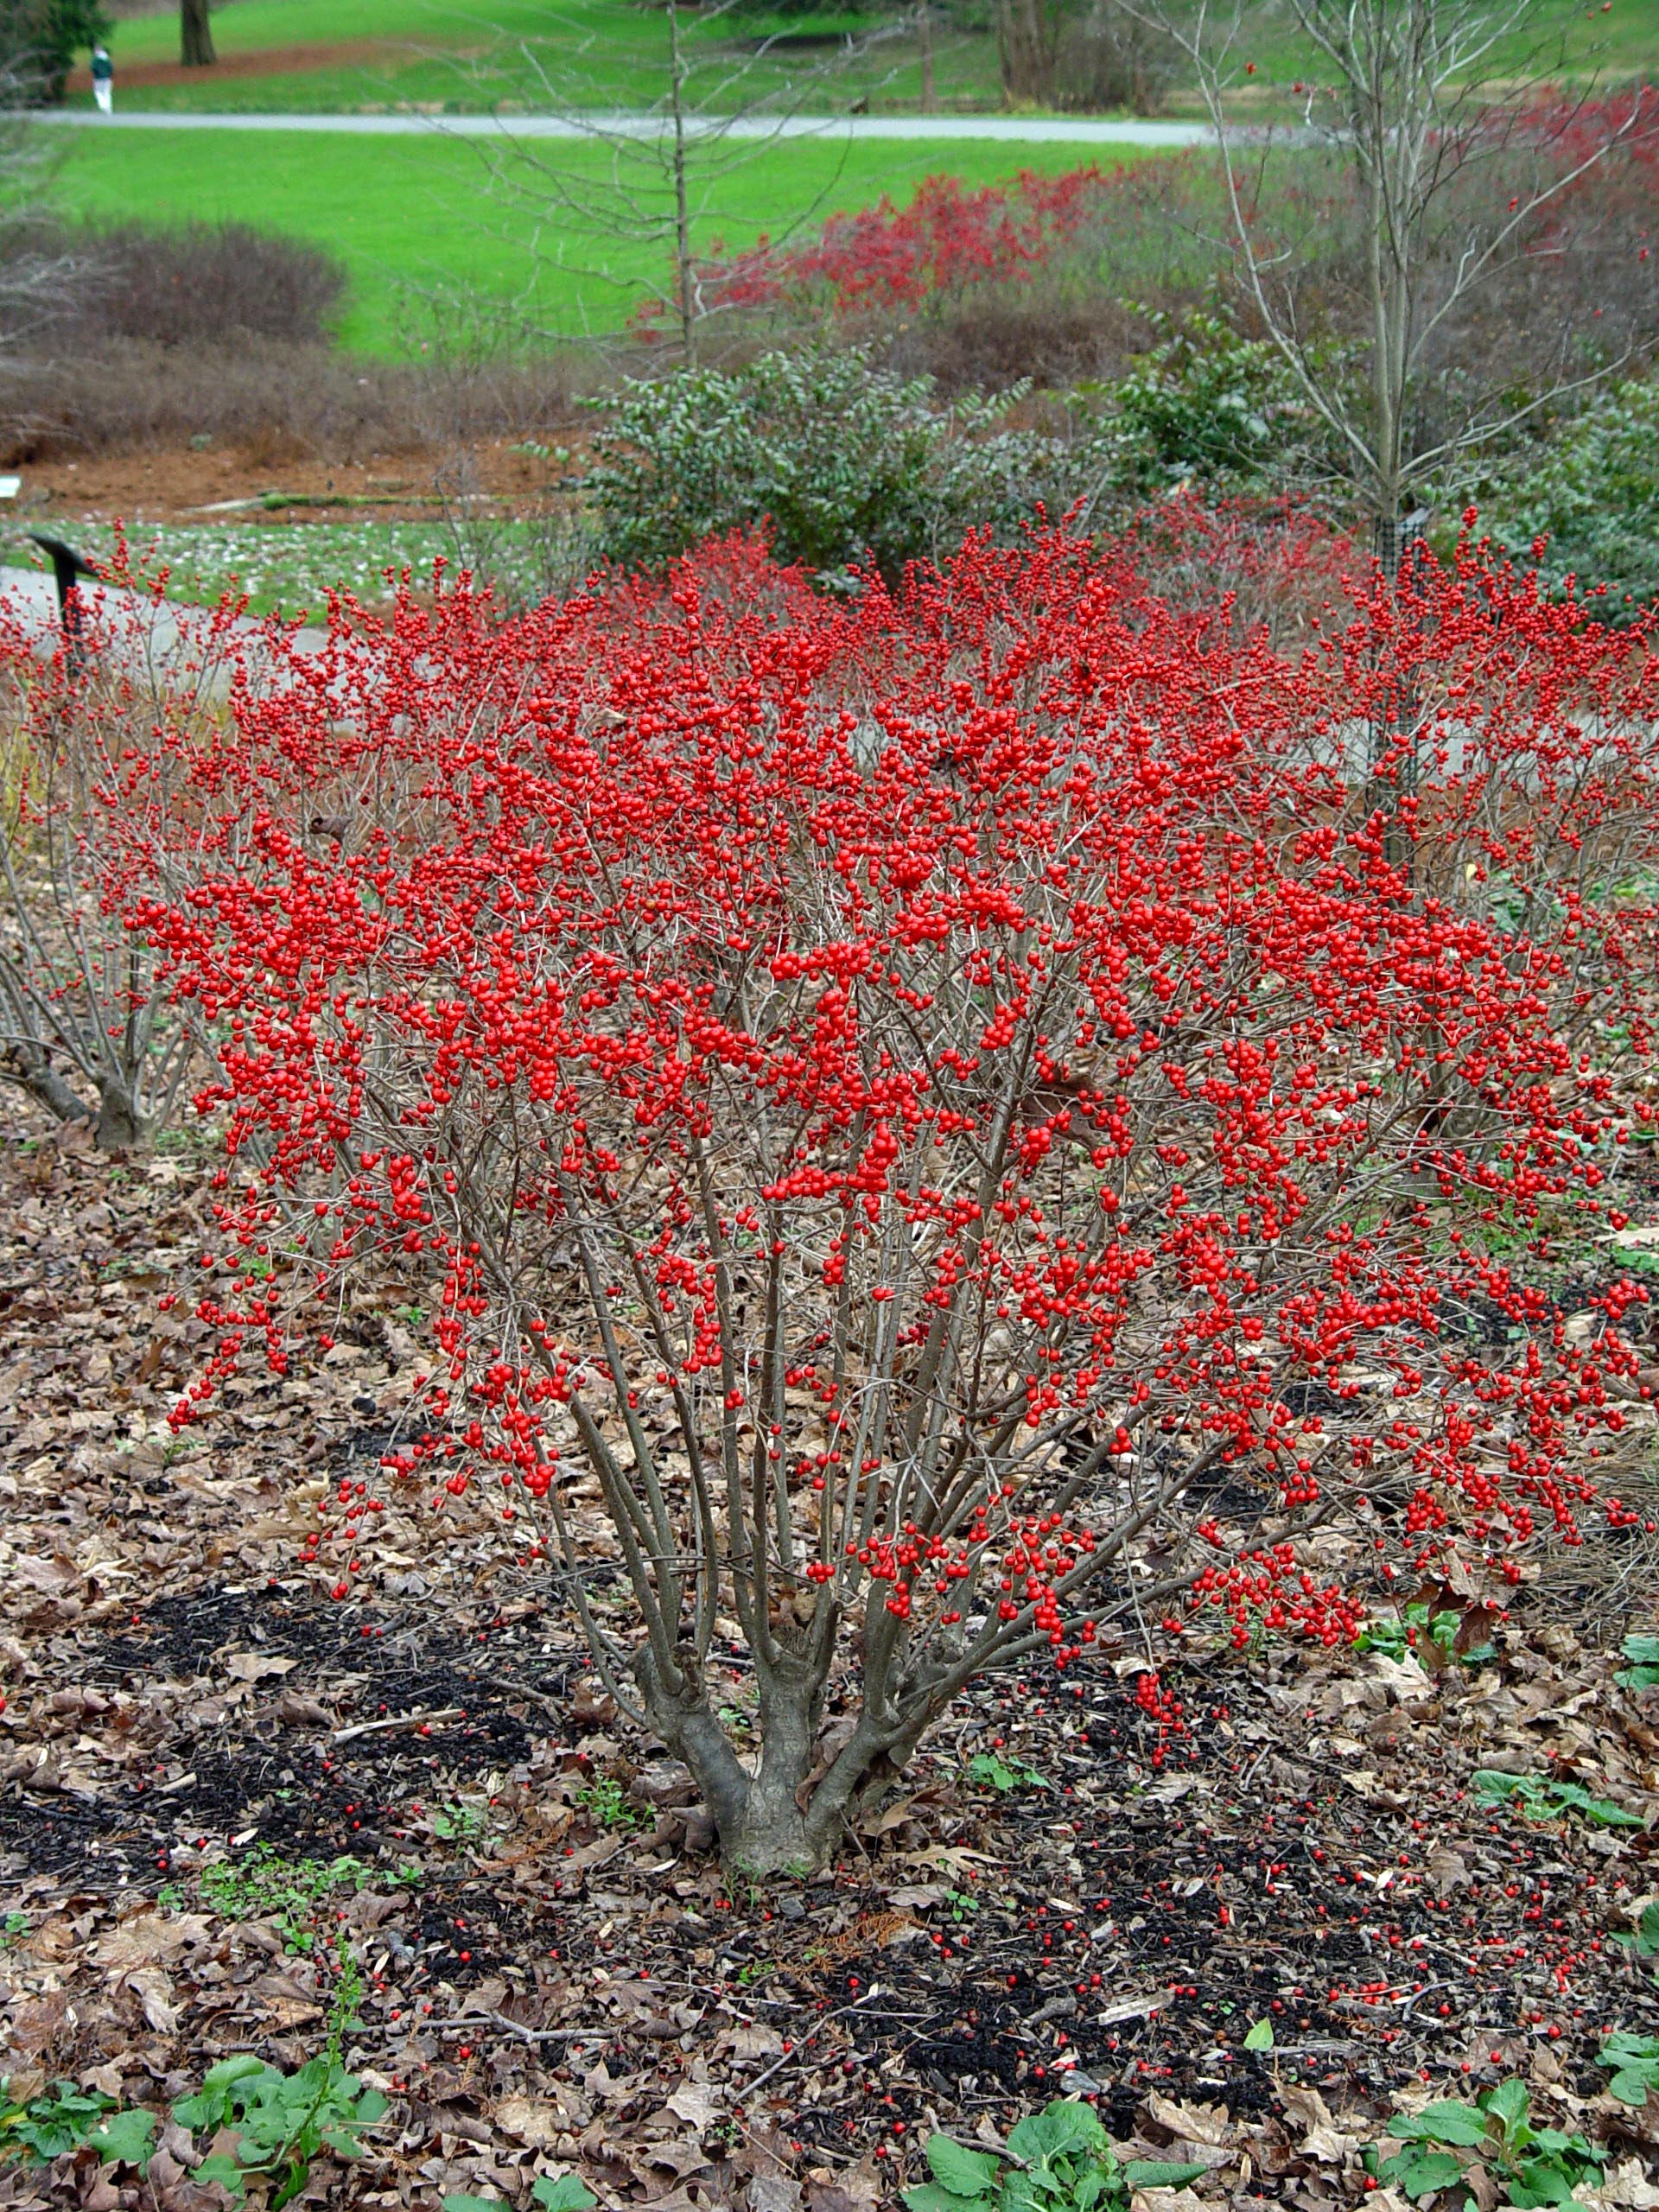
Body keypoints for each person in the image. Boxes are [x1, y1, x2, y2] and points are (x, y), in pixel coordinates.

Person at [90, 44, 113, 115]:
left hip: (98, 79)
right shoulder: (106, 58)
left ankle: (103, 105)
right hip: (107, 78)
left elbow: (93, 68)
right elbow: (111, 67)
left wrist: (97, 74)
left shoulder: (95, 60)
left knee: (98, 93)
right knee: (107, 93)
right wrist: (108, 74)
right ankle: (108, 108)